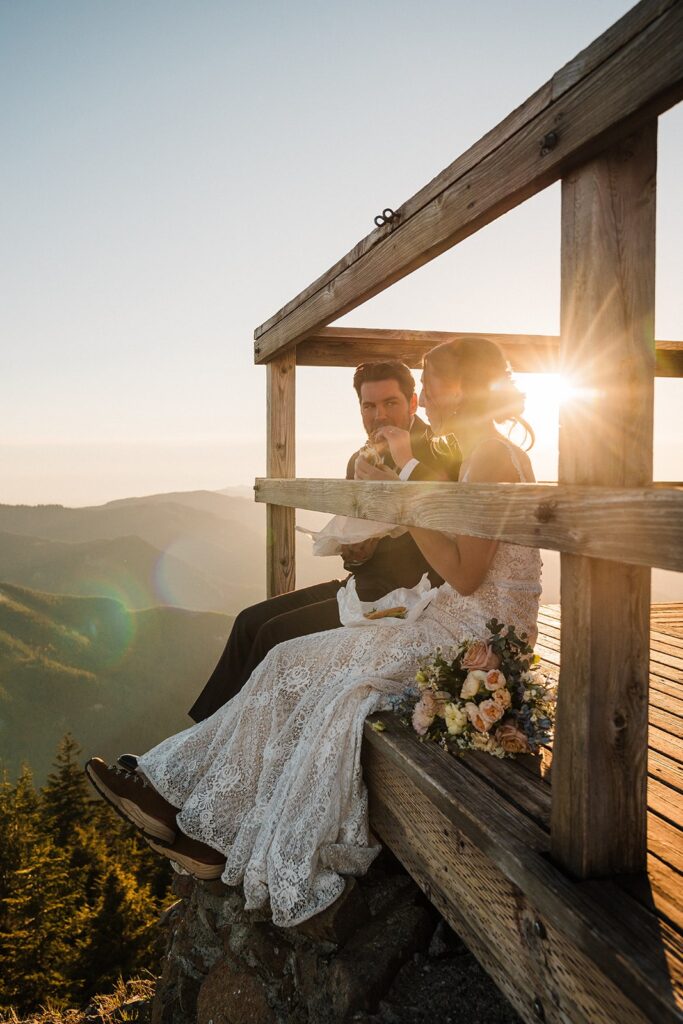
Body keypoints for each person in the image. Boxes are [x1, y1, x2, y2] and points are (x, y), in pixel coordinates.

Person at [85, 337, 541, 929]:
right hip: (450, 614)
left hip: (472, 633)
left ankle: (201, 819)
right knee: (281, 659)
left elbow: (467, 571)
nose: (424, 396)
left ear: (465, 388)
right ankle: (185, 804)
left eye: (430, 382)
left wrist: (405, 490)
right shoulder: (477, 451)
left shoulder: (491, 458)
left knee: (321, 685)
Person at [187, 359, 461, 722]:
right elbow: (357, 545)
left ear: (412, 404)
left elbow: (447, 528)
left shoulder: (438, 452)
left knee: (274, 635)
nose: (379, 415)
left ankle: (224, 751)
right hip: (360, 586)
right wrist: (356, 553)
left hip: (407, 599)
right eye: (369, 406)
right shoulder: (359, 458)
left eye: (391, 403)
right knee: (247, 622)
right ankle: (199, 742)